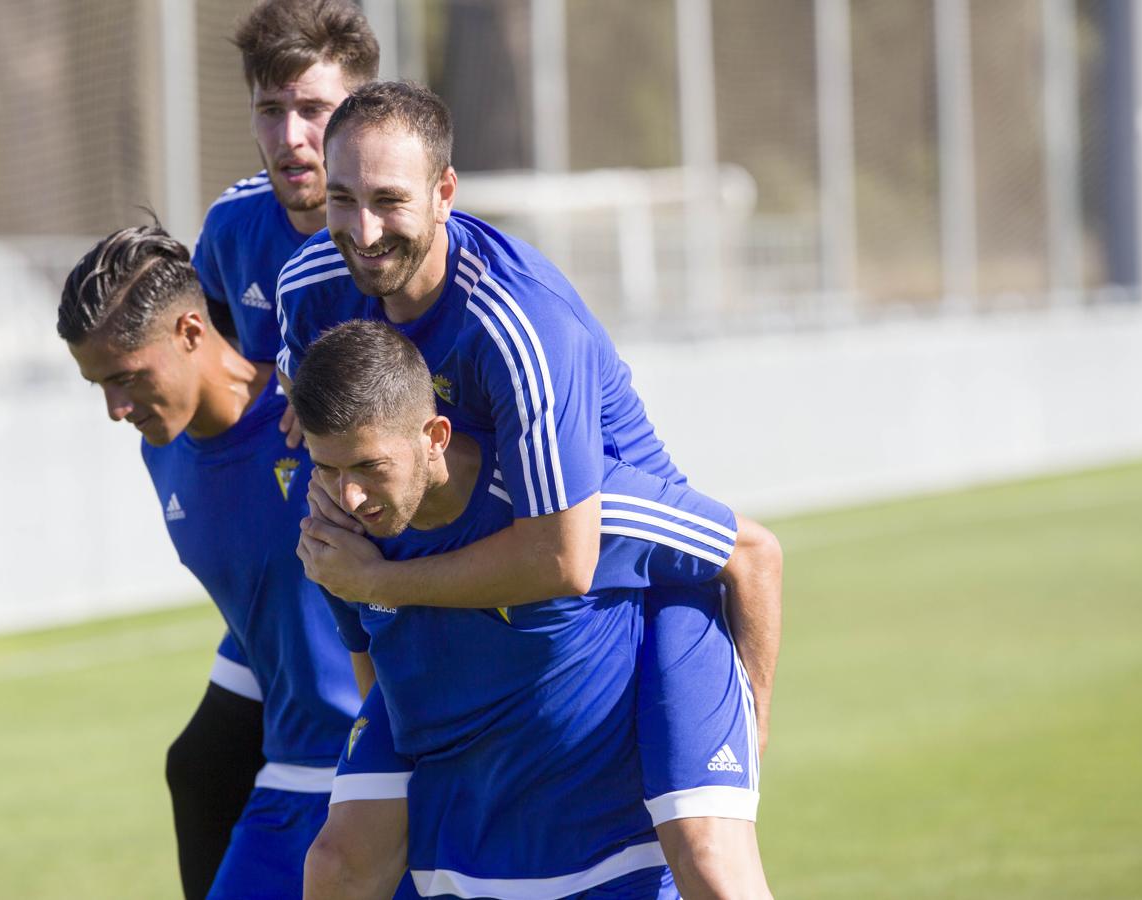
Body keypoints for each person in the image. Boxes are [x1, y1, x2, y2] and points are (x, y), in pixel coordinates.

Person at [276, 81, 783, 893]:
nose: (362, 231)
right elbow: (331, 476)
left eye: (389, 200)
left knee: (710, 859)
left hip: (634, 577)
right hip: (461, 566)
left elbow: (566, 555)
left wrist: (752, 715)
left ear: (445, 194)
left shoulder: (519, 324)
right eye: (342, 198)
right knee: (337, 864)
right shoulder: (310, 295)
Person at [291, 321, 770, 898]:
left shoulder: (565, 506)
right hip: (459, 713)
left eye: (369, 467)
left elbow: (753, 553)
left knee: (715, 873)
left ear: (436, 436)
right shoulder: (339, 534)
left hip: (631, 687)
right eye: (328, 468)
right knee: (335, 868)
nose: (350, 496)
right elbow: (370, 660)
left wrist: (755, 729)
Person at [58, 224, 383, 899]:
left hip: (382, 777)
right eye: (98, 386)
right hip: (292, 771)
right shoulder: (162, 454)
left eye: (126, 378)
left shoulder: (314, 420)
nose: (115, 409)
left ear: (190, 331)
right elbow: (262, 605)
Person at [171, 3, 379, 893]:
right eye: (270, 110)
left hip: (389, 554)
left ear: (365, 108)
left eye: (315, 109)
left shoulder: (395, 233)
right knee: (202, 767)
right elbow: (222, 372)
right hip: (292, 567)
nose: (291, 137)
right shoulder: (232, 230)